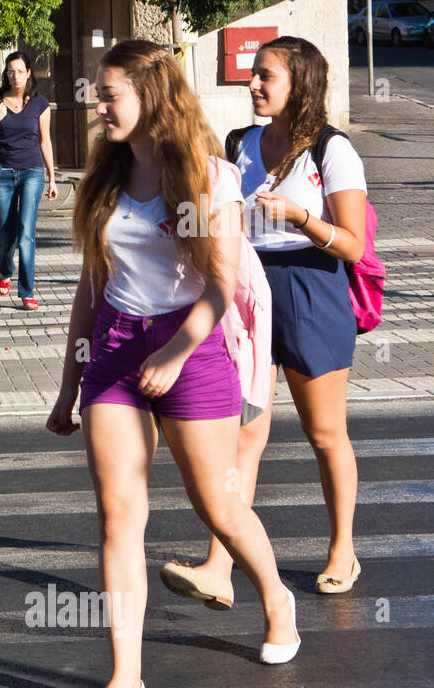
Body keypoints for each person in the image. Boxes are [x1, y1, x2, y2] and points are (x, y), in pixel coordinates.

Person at [46, 40, 299, 688]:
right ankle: (125, 678)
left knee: (218, 505)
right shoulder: (103, 179)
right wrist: (69, 384)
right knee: (119, 515)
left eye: (109, 96)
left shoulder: (211, 177)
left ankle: (277, 597)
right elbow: (91, 286)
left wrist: (180, 352)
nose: (97, 107)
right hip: (117, 350)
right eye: (98, 95)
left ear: (151, 97)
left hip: (192, 347)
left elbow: (220, 287)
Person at [158, 37, 368, 603]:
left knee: (324, 433)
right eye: (253, 74)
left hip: (311, 288)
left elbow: (353, 245)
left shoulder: (332, 150)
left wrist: (301, 216)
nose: (253, 84)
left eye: (266, 76)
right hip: (248, 290)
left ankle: (342, 549)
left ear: (299, 84)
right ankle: (218, 568)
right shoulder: (240, 143)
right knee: (244, 436)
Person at [0, 51, 58, 310]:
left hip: (32, 172)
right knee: (4, 234)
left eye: (20, 71)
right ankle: (5, 271)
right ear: (6, 74)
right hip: (2, 173)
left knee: (26, 232)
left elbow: (45, 142)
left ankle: (27, 292)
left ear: (28, 73)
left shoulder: (40, 104)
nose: (15, 76)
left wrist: (52, 178)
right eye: (10, 71)